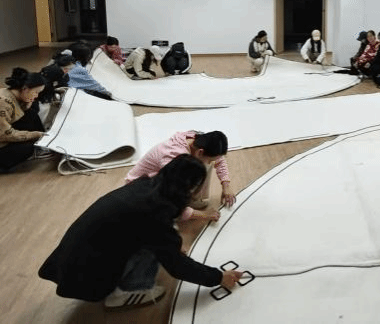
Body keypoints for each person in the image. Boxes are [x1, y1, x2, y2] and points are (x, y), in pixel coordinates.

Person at [39, 155, 244, 310]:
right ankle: (128, 291)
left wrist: (171, 242)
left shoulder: (147, 185)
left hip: (70, 262)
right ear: (189, 188)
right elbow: (177, 266)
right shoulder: (154, 214)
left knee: (157, 240)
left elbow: (162, 229)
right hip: (85, 278)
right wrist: (219, 277)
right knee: (155, 248)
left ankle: (117, 280)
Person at [125, 130, 236, 223]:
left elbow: (219, 160)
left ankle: (193, 200)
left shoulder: (196, 140)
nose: (212, 161)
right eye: (211, 159)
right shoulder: (175, 158)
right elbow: (171, 202)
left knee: (205, 165)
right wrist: (204, 215)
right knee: (164, 211)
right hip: (138, 191)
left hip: (154, 180)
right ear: (200, 152)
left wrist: (226, 184)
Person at [0, 68, 47, 171]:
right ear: (25, 89)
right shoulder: (3, 103)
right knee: (28, 148)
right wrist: (35, 135)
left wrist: (27, 104)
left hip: (4, 133)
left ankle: (43, 140)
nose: (36, 96)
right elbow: (4, 135)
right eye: (36, 92)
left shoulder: (9, 93)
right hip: (2, 137)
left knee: (31, 113)